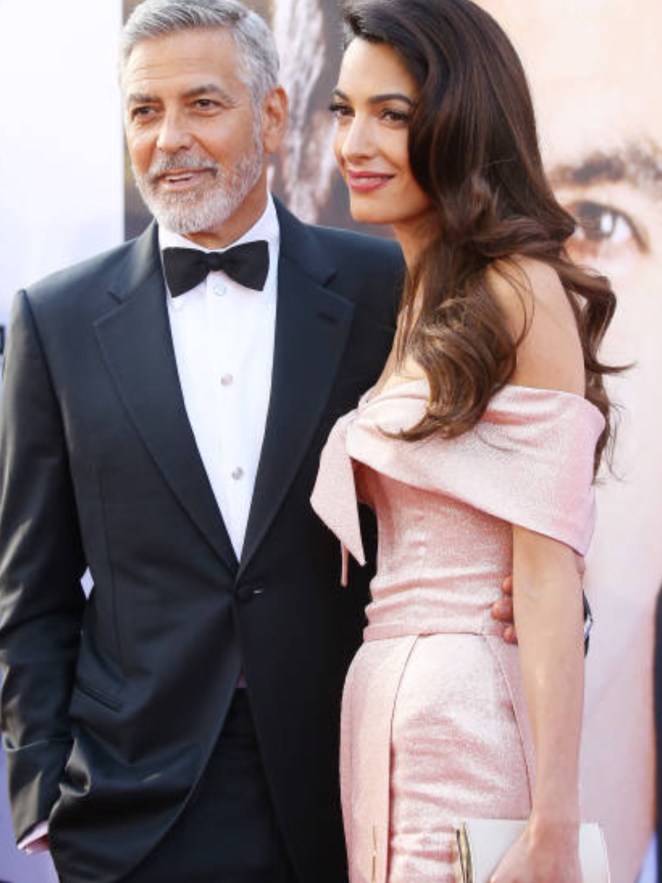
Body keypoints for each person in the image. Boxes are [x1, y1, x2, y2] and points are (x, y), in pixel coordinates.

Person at [0, 1, 519, 881]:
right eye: (144, 110)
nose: (169, 138)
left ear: (274, 116)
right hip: (133, 804)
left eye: (203, 104)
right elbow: (30, 588)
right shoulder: (55, 320)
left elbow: (487, 497)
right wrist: (43, 787)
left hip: (348, 780)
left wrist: (535, 605)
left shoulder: (390, 289)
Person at [310, 1, 617, 880]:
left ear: (463, 120)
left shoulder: (517, 289)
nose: (355, 144)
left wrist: (555, 820)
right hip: (390, 726)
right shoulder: (418, 294)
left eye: (392, 115)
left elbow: (546, 571)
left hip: (470, 728)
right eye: (345, 111)